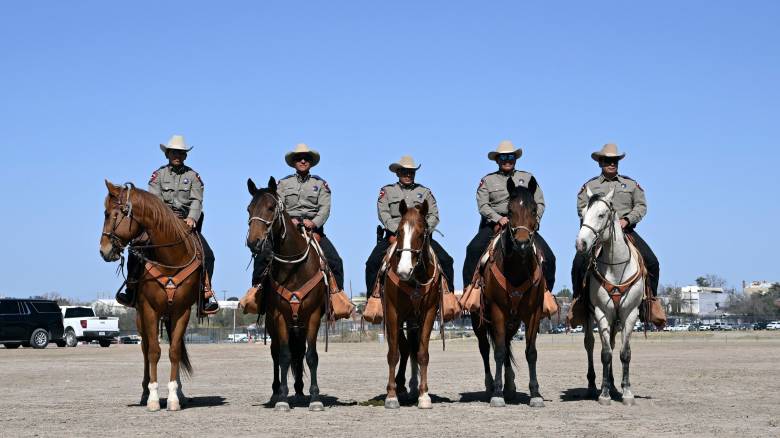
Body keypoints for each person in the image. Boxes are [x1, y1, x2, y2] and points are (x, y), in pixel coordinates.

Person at [116, 135, 219, 313]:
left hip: (185, 223)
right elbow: (153, 200)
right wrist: (163, 219)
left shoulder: (193, 176)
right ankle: (131, 289)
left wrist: (192, 218)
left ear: (185, 155)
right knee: (136, 248)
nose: (177, 155)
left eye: (180, 153)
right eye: (173, 152)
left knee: (208, 255)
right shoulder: (158, 175)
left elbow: (197, 200)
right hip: (161, 223)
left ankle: (205, 294)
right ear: (167, 154)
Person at [569, 143, 665, 324]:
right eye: (607, 160)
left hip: (625, 231)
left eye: (614, 160)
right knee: (578, 263)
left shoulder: (630, 184)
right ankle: (579, 303)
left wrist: (627, 220)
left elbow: (641, 206)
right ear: (600, 163)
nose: (611, 163)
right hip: (599, 234)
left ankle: (650, 303)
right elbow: (581, 208)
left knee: (652, 262)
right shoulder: (590, 186)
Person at [462, 140, 557, 314]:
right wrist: (498, 218)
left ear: (515, 158)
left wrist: (533, 221)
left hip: (523, 226)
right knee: (473, 249)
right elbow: (483, 206)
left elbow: (540, 203)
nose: (508, 160)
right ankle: (470, 292)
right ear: (497, 160)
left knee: (549, 258)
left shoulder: (528, 178)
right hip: (494, 226)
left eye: (511, 157)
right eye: (503, 157)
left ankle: (545, 295)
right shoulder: (488, 180)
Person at [251, 143, 345, 290]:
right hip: (288, 228)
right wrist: (289, 220)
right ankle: (256, 292)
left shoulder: (320, 184)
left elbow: (325, 208)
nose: (303, 161)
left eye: (306, 158)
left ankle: (337, 299)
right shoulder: (283, 184)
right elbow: (278, 206)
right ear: (294, 162)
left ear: (311, 162)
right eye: (299, 158)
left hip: (313, 230)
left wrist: (314, 223)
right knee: (262, 256)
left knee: (335, 261)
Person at [364, 156, 455, 293]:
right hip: (393, 236)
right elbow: (383, 213)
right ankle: (372, 301)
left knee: (446, 261)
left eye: (411, 172)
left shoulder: (425, 192)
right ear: (398, 173)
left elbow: (434, 215)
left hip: (421, 237)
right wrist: (398, 232)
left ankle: (449, 299)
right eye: (404, 171)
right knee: (372, 263)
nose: (408, 174)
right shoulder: (387, 191)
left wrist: (423, 231)